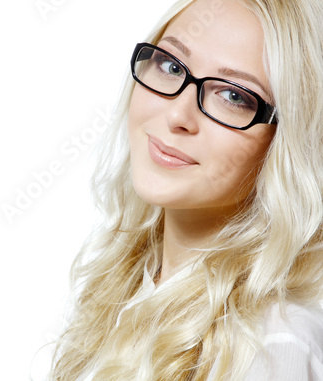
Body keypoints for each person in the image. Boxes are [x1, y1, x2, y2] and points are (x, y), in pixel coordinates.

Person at [48, 0, 323, 379]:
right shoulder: (127, 288)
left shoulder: (273, 346)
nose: (177, 115)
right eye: (172, 66)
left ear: (287, 141)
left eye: (233, 96)